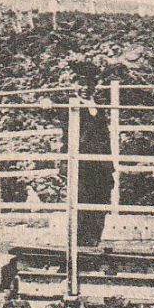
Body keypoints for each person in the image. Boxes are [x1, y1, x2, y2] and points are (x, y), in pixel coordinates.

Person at [68, 61, 115, 246]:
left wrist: (110, 166)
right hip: (83, 166)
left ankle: (94, 244)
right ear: (75, 84)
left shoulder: (99, 108)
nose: (86, 88)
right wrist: (46, 103)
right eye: (81, 83)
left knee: (100, 204)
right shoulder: (71, 106)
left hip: (101, 166)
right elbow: (55, 111)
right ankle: (77, 248)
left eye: (90, 84)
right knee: (81, 205)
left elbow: (106, 138)